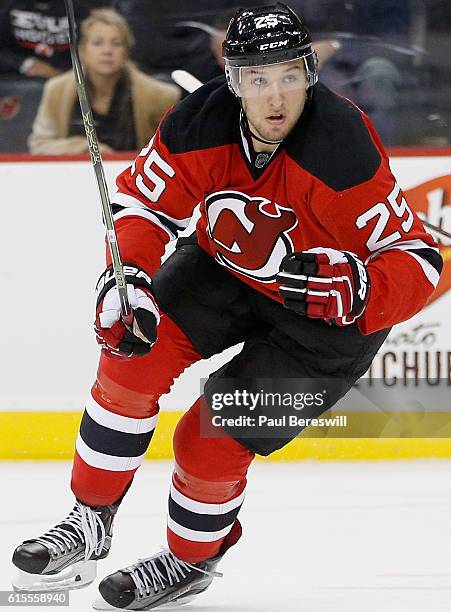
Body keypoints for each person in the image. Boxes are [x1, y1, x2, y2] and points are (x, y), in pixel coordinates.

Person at [12, 3, 442, 610]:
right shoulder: (197, 123)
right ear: (231, 80)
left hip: (326, 323)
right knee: (132, 351)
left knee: (211, 434)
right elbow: (141, 205)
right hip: (224, 272)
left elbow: (420, 259)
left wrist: (359, 289)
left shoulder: (342, 148)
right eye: (256, 78)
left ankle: (189, 561)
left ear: (310, 75)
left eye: (288, 75)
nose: (274, 97)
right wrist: (129, 275)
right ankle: (88, 522)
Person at [28, 8, 180, 154]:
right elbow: (39, 144)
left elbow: (171, 150)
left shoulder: (160, 96)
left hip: (133, 176)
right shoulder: (57, 90)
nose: (107, 51)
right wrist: (81, 149)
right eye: (97, 43)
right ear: (82, 50)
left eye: (116, 43)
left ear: (126, 51)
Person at [0, 0, 112, 79]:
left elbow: (103, 44)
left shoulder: (86, 6)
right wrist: (26, 64)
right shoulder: (9, 4)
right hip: (17, 78)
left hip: (74, 78)